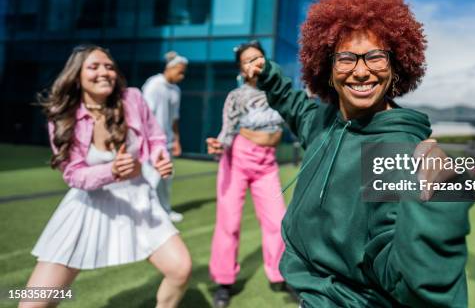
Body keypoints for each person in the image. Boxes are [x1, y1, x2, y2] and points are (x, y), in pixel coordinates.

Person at [247, 0, 472, 307]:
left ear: (396, 67)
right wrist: (267, 74)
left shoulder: (395, 149)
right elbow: (296, 107)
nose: (362, 71)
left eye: (375, 57)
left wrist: (436, 210)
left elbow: (401, 275)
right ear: (328, 68)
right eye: (347, 58)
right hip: (311, 291)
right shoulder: (325, 120)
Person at [22, 45, 191, 308]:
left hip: (138, 201)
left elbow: (156, 137)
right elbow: (73, 174)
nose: (104, 72)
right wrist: (110, 171)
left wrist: (159, 155)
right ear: (77, 75)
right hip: (88, 206)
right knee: (35, 302)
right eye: (94, 67)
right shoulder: (64, 118)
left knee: (180, 269)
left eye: (109, 66)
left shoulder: (132, 98)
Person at [206, 41, 288, 308]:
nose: (254, 63)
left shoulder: (280, 92)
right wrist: (219, 146)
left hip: (267, 164)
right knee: (229, 223)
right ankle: (224, 281)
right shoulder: (236, 96)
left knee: (278, 221)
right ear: (241, 68)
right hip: (237, 160)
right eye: (247, 60)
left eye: (258, 57)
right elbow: (227, 131)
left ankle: (279, 274)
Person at [142, 51, 188, 223]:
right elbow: (143, 114)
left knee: (166, 179)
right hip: (151, 143)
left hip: (167, 142)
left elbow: (174, 118)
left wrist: (176, 140)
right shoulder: (153, 85)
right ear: (171, 68)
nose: (182, 76)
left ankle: (165, 211)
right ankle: (146, 213)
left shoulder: (176, 90)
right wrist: (145, 141)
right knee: (151, 178)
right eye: (180, 72)